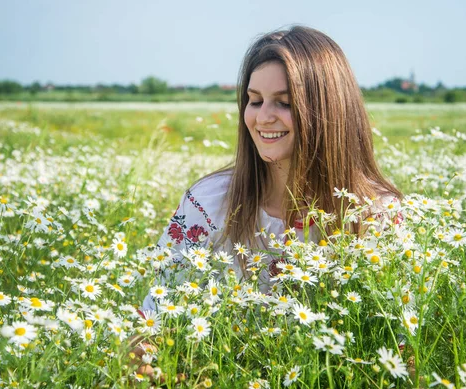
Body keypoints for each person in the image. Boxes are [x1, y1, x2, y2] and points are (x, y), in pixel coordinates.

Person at [131, 25, 402, 381]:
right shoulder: (208, 203)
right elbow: (150, 323)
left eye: (285, 103)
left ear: (329, 112)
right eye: (255, 100)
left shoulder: (375, 215)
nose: (262, 117)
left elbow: (399, 348)